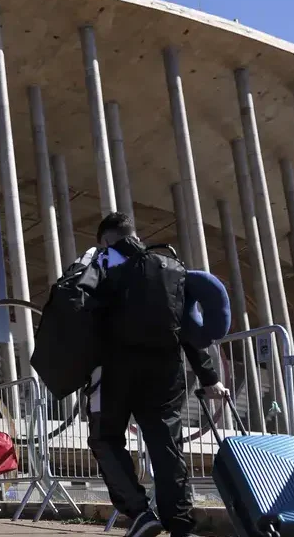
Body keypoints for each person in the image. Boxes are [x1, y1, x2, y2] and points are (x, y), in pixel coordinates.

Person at [87, 213, 228, 537]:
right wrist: (209, 378)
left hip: (114, 371)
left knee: (104, 438)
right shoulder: (173, 269)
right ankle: (180, 526)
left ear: (106, 240)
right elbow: (189, 330)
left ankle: (139, 514)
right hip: (165, 372)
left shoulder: (103, 265)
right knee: (166, 447)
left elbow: (82, 313)